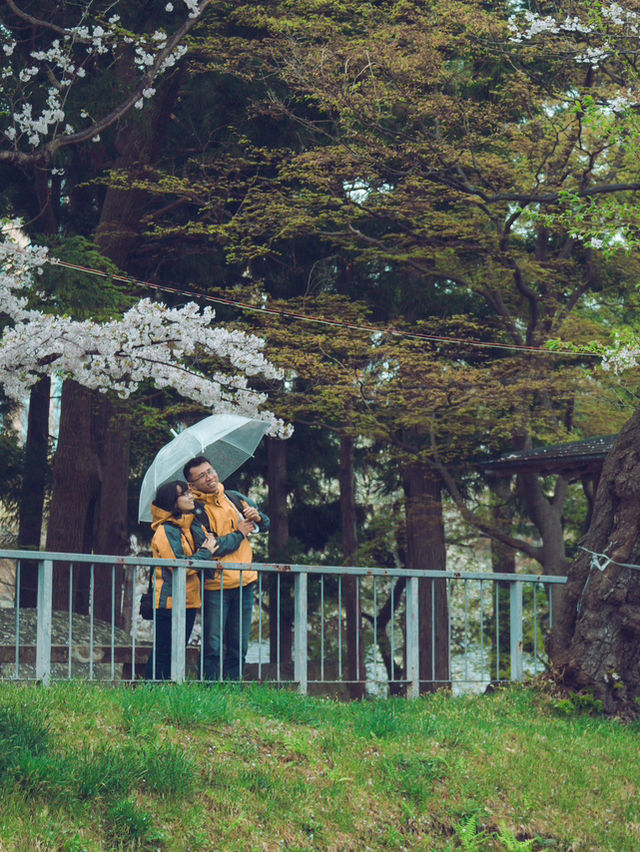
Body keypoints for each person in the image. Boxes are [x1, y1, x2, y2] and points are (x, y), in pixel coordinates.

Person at [183, 456, 270, 681]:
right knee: (212, 644)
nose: (209, 477)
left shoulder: (233, 497)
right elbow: (212, 548)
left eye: (210, 471)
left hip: (245, 582)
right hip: (216, 585)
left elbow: (265, 523)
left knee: (239, 644)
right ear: (192, 485)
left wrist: (257, 517)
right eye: (201, 476)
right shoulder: (196, 512)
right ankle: (208, 689)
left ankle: (232, 690)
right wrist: (241, 532)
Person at [145, 479, 218, 680]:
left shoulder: (188, 527)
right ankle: (152, 692)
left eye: (189, 492)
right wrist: (204, 553)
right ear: (172, 501)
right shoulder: (165, 530)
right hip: (169, 601)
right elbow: (178, 565)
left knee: (176, 649)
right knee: (164, 652)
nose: (190, 496)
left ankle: (168, 693)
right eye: (184, 494)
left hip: (189, 599)